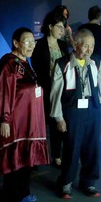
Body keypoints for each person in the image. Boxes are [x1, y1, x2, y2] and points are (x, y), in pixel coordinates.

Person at [0, 27, 50, 202]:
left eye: (33, 41)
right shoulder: (9, 63)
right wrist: (5, 119)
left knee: (26, 158)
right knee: (15, 159)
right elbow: (4, 92)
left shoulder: (26, 63)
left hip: (30, 122)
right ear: (16, 43)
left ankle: (24, 192)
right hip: (16, 122)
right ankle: (13, 197)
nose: (31, 45)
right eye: (26, 41)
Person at [50, 28, 101, 199]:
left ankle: (89, 182)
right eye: (86, 46)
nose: (90, 50)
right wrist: (59, 117)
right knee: (72, 148)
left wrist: (99, 109)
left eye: (92, 46)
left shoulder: (96, 63)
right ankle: (66, 183)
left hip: (93, 109)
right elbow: (55, 93)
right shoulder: (62, 63)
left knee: (92, 148)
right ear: (76, 44)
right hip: (73, 111)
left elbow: (99, 86)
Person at [31, 11, 69, 167]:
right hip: (44, 88)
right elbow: (36, 66)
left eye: (63, 27)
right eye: (59, 27)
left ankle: (56, 155)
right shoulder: (39, 45)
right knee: (39, 123)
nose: (62, 30)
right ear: (50, 26)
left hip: (59, 89)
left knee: (56, 122)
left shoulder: (63, 45)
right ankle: (35, 158)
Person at [78, 5, 101, 130]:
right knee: (98, 88)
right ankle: (100, 116)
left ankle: (83, 116)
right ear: (99, 16)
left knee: (81, 87)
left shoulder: (82, 28)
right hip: (96, 61)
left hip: (80, 60)